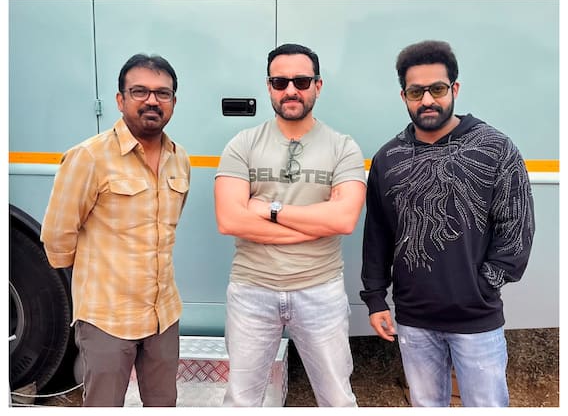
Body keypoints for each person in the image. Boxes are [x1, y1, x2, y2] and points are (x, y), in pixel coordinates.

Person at [360, 40, 535, 407]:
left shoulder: (495, 148)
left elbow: (517, 227)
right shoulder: (388, 158)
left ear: (455, 88)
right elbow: (378, 235)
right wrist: (375, 298)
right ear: (403, 96)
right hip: (414, 320)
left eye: (437, 89)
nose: (427, 100)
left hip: (477, 319)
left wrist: (483, 285)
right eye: (416, 92)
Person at [214, 43, 366, 407]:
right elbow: (229, 220)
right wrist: (315, 224)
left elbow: (344, 220)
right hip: (252, 290)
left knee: (338, 401)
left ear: (318, 85)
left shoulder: (343, 147)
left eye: (301, 81)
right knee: (241, 402)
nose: (291, 90)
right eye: (280, 82)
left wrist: (270, 209)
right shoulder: (242, 144)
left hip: (320, 289)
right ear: (269, 87)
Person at [41, 53, 190, 407]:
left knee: (164, 404)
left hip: (163, 315)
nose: (152, 100)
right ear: (120, 100)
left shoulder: (179, 158)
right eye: (140, 91)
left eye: (163, 93)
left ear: (173, 102)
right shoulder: (89, 157)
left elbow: (165, 228)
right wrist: (96, 278)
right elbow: (57, 236)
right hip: (107, 318)